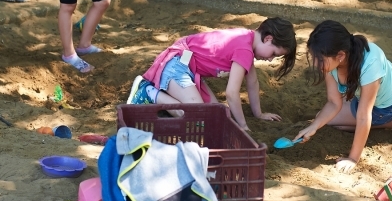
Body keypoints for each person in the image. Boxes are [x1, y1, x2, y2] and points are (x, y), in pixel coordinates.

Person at [293, 20, 392, 172]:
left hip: (389, 105)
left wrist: (353, 158)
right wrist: (313, 126)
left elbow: (364, 116)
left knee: (333, 121)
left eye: (320, 60)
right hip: (368, 97)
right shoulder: (334, 63)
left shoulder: (371, 63)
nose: (315, 64)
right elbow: (333, 102)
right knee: (323, 119)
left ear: (340, 55)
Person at [126, 18, 298, 131]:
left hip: (188, 67)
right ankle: (149, 93)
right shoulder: (244, 49)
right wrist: (243, 126)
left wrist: (259, 114)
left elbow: (252, 83)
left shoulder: (247, 40)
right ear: (268, 39)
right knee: (199, 119)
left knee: (216, 114)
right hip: (177, 64)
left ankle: (167, 94)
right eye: (274, 54)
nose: (270, 59)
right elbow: (231, 93)